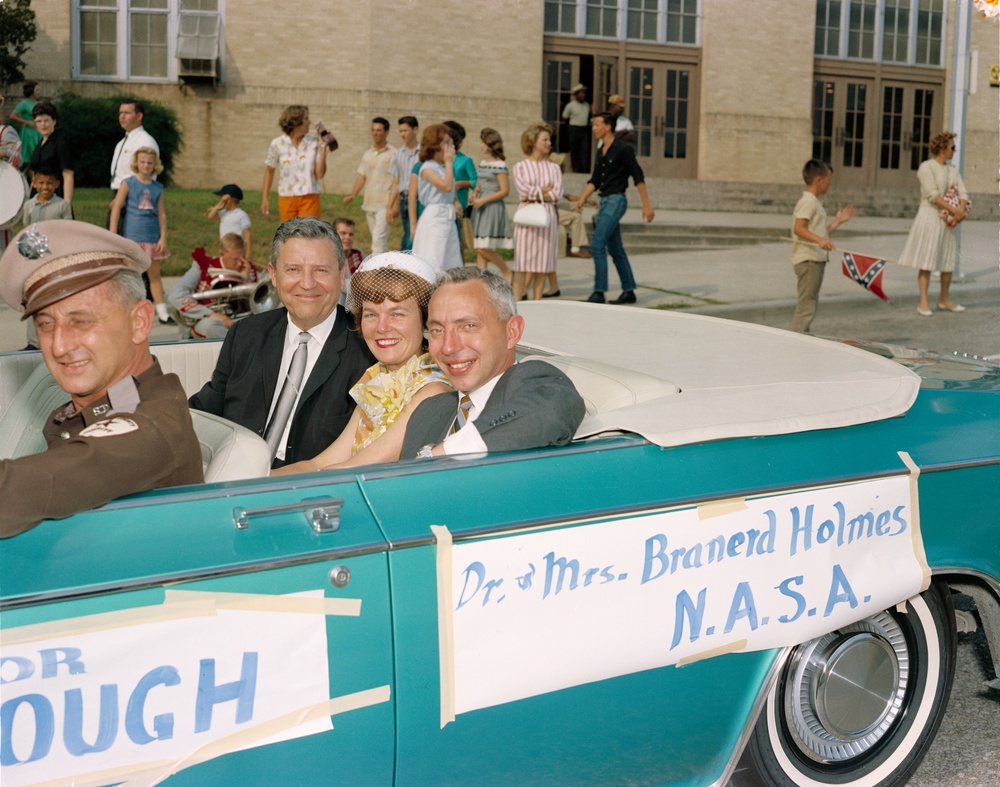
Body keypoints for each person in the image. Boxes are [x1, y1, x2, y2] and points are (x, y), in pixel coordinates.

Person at [0, 221, 203, 537]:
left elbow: (15, 492)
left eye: (81, 321)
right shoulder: (120, 398)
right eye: (46, 324)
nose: (59, 346)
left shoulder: (148, 427)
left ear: (140, 322)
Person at [189, 217, 375, 469]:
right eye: (293, 269)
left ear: (342, 276)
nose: (307, 284)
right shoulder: (245, 335)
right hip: (232, 479)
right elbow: (202, 412)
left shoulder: (368, 351)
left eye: (321, 270)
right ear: (273, 275)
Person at [274, 252, 452, 475]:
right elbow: (318, 464)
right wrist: (250, 479)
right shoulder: (376, 381)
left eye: (397, 314)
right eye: (370, 315)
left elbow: (352, 470)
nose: (382, 327)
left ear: (426, 321)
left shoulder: (433, 391)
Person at [399, 266, 585, 459]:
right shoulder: (428, 412)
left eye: (469, 326)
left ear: (512, 332)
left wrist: (437, 455)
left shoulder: (530, 385)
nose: (448, 347)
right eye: (437, 330)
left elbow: (552, 409)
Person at [575, 112, 655, 305]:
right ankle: (629, 291)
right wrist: (582, 198)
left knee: (597, 244)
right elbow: (595, 180)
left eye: (597, 124)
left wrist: (646, 205)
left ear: (608, 126)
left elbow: (638, 176)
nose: (593, 128)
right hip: (604, 202)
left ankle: (599, 292)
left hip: (616, 201)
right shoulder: (601, 150)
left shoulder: (623, 149)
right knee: (616, 249)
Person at [896, 132, 971, 316]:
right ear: (942, 148)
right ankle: (923, 301)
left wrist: (960, 210)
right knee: (926, 259)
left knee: (948, 260)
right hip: (930, 216)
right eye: (952, 147)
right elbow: (932, 195)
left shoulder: (953, 170)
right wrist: (955, 211)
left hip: (949, 220)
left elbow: (963, 192)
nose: (954, 150)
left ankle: (944, 299)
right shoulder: (926, 167)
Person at [789, 159, 854, 333]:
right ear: (818, 180)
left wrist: (837, 222)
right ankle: (798, 338)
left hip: (815, 259)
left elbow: (820, 233)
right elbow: (799, 228)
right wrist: (819, 241)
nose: (830, 184)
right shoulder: (808, 202)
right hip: (808, 260)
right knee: (806, 305)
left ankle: (802, 334)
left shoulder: (814, 202)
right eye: (828, 180)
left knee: (809, 303)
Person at [110, 148, 171, 323]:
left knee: (154, 276)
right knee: (131, 276)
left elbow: (161, 214)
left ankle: (163, 312)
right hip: (133, 237)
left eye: (150, 162)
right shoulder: (128, 183)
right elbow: (116, 207)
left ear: (155, 165)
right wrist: (113, 233)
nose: (146, 165)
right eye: (142, 162)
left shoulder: (158, 188)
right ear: (136, 163)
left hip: (152, 237)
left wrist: (163, 237)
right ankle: (127, 312)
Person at [168, 233, 256, 339]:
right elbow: (176, 295)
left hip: (238, 318)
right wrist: (213, 314)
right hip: (207, 319)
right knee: (212, 327)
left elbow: (256, 306)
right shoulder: (203, 266)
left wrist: (245, 281)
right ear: (222, 254)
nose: (240, 263)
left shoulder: (248, 269)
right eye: (235, 259)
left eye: (243, 258)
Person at [512, 122, 563, 301]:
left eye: (549, 140)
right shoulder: (520, 167)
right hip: (526, 217)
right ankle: (516, 304)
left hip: (547, 218)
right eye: (545, 140)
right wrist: (543, 190)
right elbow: (522, 191)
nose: (549, 143)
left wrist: (535, 191)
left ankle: (537, 302)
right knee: (521, 264)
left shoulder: (554, 168)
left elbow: (557, 194)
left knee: (542, 265)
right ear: (533, 142)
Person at [261, 105, 329, 221]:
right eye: (306, 118)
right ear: (296, 122)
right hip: (286, 197)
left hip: (309, 197)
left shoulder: (313, 142)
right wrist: (265, 198)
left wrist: (323, 147)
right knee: (289, 232)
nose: (310, 121)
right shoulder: (277, 143)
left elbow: (320, 174)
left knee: (308, 232)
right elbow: (269, 171)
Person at [411, 124, 463, 273]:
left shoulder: (442, 168)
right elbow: (445, 186)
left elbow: (449, 191)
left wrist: (455, 201)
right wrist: (449, 162)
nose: (450, 147)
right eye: (446, 142)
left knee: (450, 261)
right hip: (435, 218)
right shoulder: (427, 168)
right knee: (435, 260)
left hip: (447, 217)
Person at [343, 117, 396, 255]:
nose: (375, 133)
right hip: (369, 204)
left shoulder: (394, 154)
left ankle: (375, 268)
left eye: (379, 130)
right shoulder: (367, 154)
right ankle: (389, 266)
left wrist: (393, 206)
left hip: (385, 205)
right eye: (373, 130)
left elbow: (398, 180)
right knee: (379, 242)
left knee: (377, 243)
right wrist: (353, 195)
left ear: (387, 132)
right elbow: (362, 176)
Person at [109, 99, 159, 230]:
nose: (122, 116)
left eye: (127, 113)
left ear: (139, 116)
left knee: (125, 241)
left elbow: (147, 176)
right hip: (118, 197)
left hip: (132, 200)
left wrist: (125, 198)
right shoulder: (121, 143)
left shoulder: (145, 141)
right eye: (120, 113)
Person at [470, 127, 513, 280]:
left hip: (492, 207)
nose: (480, 145)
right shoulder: (483, 163)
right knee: (480, 247)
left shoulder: (500, 165)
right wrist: (475, 193)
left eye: (482, 142)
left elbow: (504, 191)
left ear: (489, 144)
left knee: (483, 247)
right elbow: (480, 184)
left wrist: (483, 199)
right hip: (480, 207)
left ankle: (506, 271)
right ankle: (481, 281)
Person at [386, 116, 420, 251]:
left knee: (413, 236)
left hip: (418, 200)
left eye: (405, 131)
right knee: (408, 232)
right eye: (400, 131)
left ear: (415, 130)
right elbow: (396, 182)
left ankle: (405, 258)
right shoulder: (398, 154)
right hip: (404, 200)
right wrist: (389, 206)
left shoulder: (424, 153)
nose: (402, 134)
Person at [28, 101, 74, 203]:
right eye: (39, 121)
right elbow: (35, 176)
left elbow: (68, 174)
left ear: (54, 121)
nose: (43, 124)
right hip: (37, 198)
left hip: (55, 198)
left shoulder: (61, 144)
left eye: (46, 120)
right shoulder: (38, 146)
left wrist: (66, 203)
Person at [207, 183, 252, 263]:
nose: (221, 200)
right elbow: (210, 216)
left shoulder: (241, 214)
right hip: (225, 248)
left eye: (222, 197)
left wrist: (248, 254)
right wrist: (221, 202)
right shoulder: (224, 213)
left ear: (229, 199)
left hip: (236, 249)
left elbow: (247, 234)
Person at [9, 80, 42, 166]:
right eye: (37, 90)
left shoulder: (36, 103)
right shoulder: (24, 103)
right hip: (29, 133)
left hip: (37, 132)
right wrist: (27, 122)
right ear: (31, 91)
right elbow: (12, 116)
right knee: (30, 157)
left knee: (38, 157)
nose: (39, 92)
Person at [562, 84, 592, 173]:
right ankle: (575, 168)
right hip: (574, 129)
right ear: (576, 94)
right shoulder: (570, 105)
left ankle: (584, 169)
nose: (583, 95)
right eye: (581, 93)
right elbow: (565, 117)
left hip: (584, 129)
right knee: (574, 149)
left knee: (585, 149)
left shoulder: (586, 105)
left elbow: (589, 116)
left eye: (584, 93)